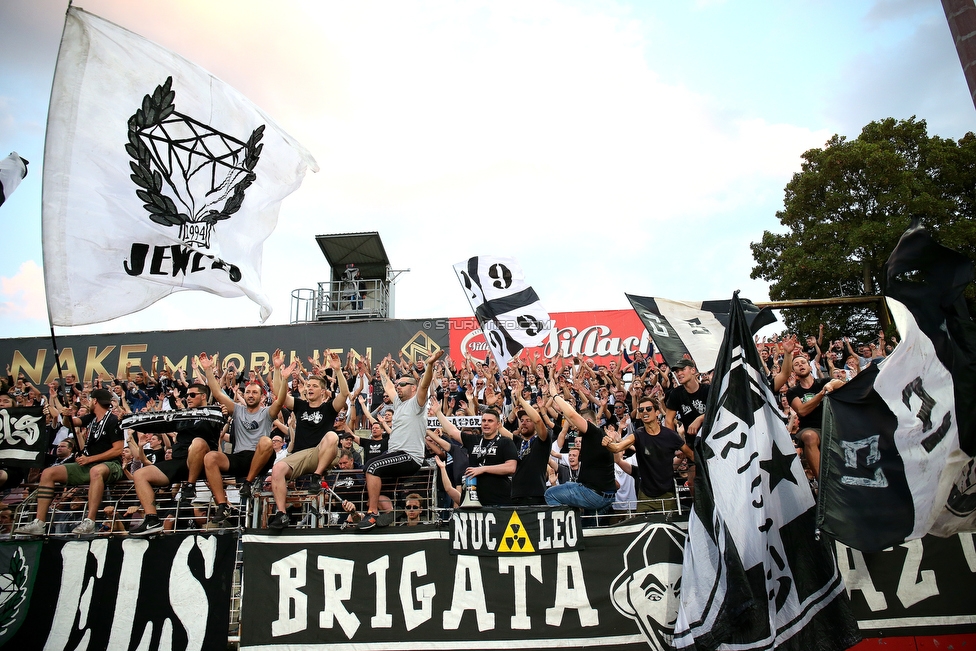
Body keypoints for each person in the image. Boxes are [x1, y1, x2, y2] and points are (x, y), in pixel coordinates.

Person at [15, 388, 124, 536]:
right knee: (49, 472)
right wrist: (66, 416)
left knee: (96, 470)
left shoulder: (112, 420)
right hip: (88, 465)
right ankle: (39, 522)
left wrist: (90, 459)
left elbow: (118, 450)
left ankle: (90, 521)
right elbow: (70, 424)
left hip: (111, 465)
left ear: (95, 401)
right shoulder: (91, 417)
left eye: (91, 400)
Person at [199, 351, 288, 526]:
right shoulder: (237, 410)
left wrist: (280, 374)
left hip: (260, 457)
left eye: (255, 392)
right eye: (248, 392)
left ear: (261, 397)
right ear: (244, 394)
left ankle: (247, 483)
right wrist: (208, 370)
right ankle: (222, 505)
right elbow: (217, 393)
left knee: (266, 441)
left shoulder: (266, 412)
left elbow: (280, 400)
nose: (250, 395)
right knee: (210, 457)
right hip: (240, 457)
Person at [356, 350, 442, 530]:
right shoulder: (399, 404)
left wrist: (430, 364)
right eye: (398, 385)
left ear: (412, 388)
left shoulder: (417, 404)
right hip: (396, 454)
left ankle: (372, 514)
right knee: (370, 476)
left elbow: (424, 386)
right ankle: (391, 512)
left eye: (402, 384)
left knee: (372, 466)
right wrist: (381, 371)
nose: (398, 387)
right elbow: (387, 386)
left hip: (410, 456)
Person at [127, 383, 225, 536]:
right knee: (140, 475)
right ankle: (152, 519)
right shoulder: (182, 415)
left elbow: (221, 420)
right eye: (187, 396)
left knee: (197, 443)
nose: (188, 398)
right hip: (179, 461)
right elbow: (159, 425)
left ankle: (189, 487)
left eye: (192, 395)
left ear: (204, 396)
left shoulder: (213, 413)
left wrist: (223, 412)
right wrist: (128, 421)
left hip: (203, 460)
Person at [267, 351, 349, 530]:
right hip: (303, 455)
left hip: (323, 453)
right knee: (278, 468)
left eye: (314, 386)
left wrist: (338, 370)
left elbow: (344, 394)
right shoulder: (300, 405)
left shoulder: (329, 407)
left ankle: (317, 477)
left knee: (332, 436)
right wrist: (278, 369)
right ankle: (281, 514)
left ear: (322, 391)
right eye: (308, 386)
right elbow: (278, 395)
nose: (309, 388)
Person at [604, 397, 693, 512]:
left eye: (649, 408)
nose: (644, 412)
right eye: (641, 410)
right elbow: (617, 449)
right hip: (645, 495)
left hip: (667, 494)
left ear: (657, 412)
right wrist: (609, 442)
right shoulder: (638, 435)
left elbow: (690, 455)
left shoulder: (670, 435)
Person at [544, 378, 616, 517]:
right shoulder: (597, 436)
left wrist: (555, 395)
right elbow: (570, 417)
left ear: (588, 422)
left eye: (577, 424)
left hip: (594, 494)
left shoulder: (594, 432)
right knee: (587, 529)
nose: (574, 426)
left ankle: (566, 530)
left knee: (550, 494)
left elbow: (572, 414)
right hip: (604, 494)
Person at [787, 356, 845, 480]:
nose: (800, 365)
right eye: (796, 364)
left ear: (809, 366)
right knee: (809, 436)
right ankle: (824, 484)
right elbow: (802, 411)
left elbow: (839, 383)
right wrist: (821, 393)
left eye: (803, 362)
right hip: (809, 428)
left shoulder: (824, 382)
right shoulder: (792, 391)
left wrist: (832, 383)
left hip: (831, 426)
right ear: (794, 372)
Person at [508, 381, 550, 506]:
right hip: (515, 495)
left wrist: (520, 398)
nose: (524, 423)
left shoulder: (543, 440)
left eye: (528, 420)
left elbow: (537, 419)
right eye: (521, 420)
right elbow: (498, 428)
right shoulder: (517, 442)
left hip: (536, 496)